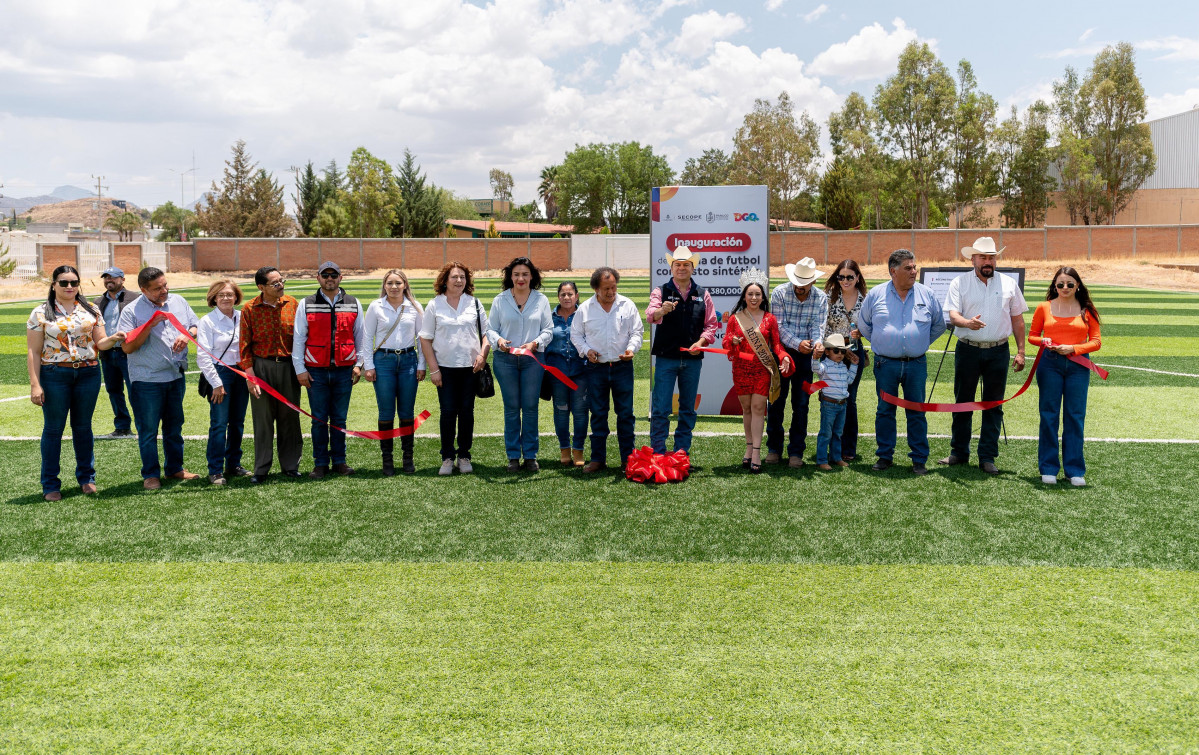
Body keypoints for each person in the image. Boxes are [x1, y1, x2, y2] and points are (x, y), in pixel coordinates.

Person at [27, 265, 126, 501]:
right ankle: (50, 484)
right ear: (54, 285)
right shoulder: (40, 313)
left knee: (83, 428)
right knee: (53, 430)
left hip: (88, 373)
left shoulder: (91, 309)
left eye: (74, 282)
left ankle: (87, 478)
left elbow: (100, 343)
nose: (69, 287)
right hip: (54, 375)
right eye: (64, 283)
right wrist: (35, 384)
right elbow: (33, 351)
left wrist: (112, 339)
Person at [939, 237, 1028, 475]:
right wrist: (967, 323)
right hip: (967, 348)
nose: (988, 261)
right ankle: (959, 452)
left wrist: (1021, 351)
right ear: (973, 259)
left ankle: (987, 456)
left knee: (994, 405)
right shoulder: (960, 283)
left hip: (999, 350)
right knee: (962, 403)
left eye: (991, 257)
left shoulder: (1009, 284)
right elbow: (953, 315)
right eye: (983, 257)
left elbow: (1018, 319)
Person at [857, 249, 947, 475]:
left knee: (916, 411)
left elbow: (939, 325)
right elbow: (864, 325)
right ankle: (885, 456)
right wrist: (882, 342)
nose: (914, 271)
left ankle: (919, 459)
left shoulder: (927, 294)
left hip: (916, 364)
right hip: (885, 364)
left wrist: (921, 343)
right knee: (885, 410)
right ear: (893, 271)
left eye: (915, 267)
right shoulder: (876, 295)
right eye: (908, 268)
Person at [117, 266, 201, 490]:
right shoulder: (131, 312)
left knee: (174, 427)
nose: (164, 290)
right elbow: (127, 348)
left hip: (175, 375)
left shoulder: (179, 301)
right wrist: (149, 325)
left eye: (165, 285)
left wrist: (187, 335)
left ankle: (175, 468)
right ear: (143, 290)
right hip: (147, 380)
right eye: (157, 289)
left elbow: (195, 325)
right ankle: (151, 474)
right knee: (148, 430)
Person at [292, 261, 366, 479]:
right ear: (318, 278)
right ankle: (320, 463)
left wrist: (359, 364)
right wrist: (300, 368)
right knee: (318, 419)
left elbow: (360, 336)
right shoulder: (306, 303)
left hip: (345, 370)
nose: (330, 278)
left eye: (334, 275)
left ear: (341, 278)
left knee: (340, 420)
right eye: (326, 275)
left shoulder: (353, 303)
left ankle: (340, 461)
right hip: (316, 371)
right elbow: (299, 338)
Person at [1029, 267, 1102, 487]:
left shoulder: (1087, 310)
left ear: (1078, 285)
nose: (1065, 288)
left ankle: (1074, 470)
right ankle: (1049, 467)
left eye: (1070, 284)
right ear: (1054, 286)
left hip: (1078, 366)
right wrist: (1045, 342)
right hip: (1049, 364)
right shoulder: (1044, 307)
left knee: (1075, 417)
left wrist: (1073, 348)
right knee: (1049, 415)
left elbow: (1096, 341)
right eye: (1060, 284)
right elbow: (1033, 335)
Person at [419, 262, 490, 476]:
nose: (458, 281)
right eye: (454, 277)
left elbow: (487, 334)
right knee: (448, 413)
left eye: (462, 277)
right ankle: (447, 457)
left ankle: (465, 456)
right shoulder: (435, 305)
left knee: (467, 413)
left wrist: (482, 355)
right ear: (445, 280)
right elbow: (425, 339)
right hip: (445, 369)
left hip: (471, 369)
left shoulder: (474, 303)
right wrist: (434, 369)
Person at [646, 245, 717, 457]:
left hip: (692, 360)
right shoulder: (660, 291)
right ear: (672, 267)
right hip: (666, 358)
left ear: (692, 267)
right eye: (678, 265)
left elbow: (712, 325)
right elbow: (650, 315)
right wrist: (661, 310)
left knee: (687, 409)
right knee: (660, 409)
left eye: (686, 264)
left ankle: (681, 455)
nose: (682, 268)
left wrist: (702, 342)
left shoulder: (703, 294)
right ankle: (658, 453)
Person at [572, 267, 643, 473]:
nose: (611, 292)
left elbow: (637, 332)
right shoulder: (584, 309)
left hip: (622, 367)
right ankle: (597, 459)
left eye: (613, 287)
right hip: (596, 369)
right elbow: (576, 335)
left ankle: (627, 459)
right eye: (606, 288)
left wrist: (631, 349)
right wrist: (586, 351)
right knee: (598, 413)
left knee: (626, 414)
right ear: (595, 288)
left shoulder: (627, 305)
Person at [721, 268, 792, 473]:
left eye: (757, 294)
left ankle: (756, 453)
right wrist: (732, 341)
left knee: (759, 408)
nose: (753, 297)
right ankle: (748, 447)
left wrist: (784, 357)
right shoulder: (735, 319)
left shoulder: (770, 319)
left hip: (762, 369)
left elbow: (777, 346)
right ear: (744, 296)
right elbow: (726, 342)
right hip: (741, 369)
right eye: (750, 294)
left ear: (763, 297)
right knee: (747, 409)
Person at [488, 256, 553, 472]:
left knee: (531, 407)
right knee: (512, 408)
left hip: (532, 361)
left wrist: (535, 343)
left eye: (525, 274)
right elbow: (490, 329)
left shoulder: (541, 299)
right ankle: (513, 456)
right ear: (510, 277)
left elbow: (548, 330)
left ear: (532, 276)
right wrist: (498, 341)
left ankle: (531, 456)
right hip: (505, 361)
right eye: (516, 274)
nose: (520, 278)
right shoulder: (500, 300)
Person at [239, 266, 303, 483]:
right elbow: (244, 345)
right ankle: (261, 469)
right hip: (261, 368)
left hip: (289, 368)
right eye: (275, 283)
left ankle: (290, 465)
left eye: (282, 280)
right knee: (263, 420)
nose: (281, 285)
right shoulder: (249, 309)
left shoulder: (293, 304)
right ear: (261, 287)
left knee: (290, 418)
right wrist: (250, 376)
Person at [767, 257, 829, 468]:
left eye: (804, 283)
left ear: (813, 281)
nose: (800, 286)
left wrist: (818, 344)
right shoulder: (779, 293)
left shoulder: (821, 298)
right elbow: (778, 328)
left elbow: (817, 327)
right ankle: (773, 448)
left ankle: (796, 451)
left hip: (805, 358)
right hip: (781, 354)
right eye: (797, 282)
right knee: (776, 401)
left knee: (801, 405)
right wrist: (797, 343)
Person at [363, 270, 426, 475]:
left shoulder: (414, 307)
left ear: (405, 285)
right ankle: (387, 459)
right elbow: (367, 337)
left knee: (407, 412)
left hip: (408, 360)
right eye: (389, 283)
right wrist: (369, 365)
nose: (393, 287)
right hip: (383, 361)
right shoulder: (376, 306)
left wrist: (421, 365)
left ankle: (408, 458)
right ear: (384, 285)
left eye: (398, 283)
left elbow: (421, 338)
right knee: (386, 411)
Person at [197, 279, 250, 485]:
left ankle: (234, 464)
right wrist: (217, 384)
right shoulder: (208, 321)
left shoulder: (242, 317)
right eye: (221, 295)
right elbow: (203, 355)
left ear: (236, 296)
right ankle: (216, 469)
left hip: (241, 372)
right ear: (214, 298)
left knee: (237, 422)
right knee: (219, 424)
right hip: (220, 375)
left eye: (229, 294)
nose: (226, 298)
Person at [822, 259, 868, 462]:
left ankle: (848, 449)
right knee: (831, 400)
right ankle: (829, 446)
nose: (845, 280)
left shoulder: (866, 300)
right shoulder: (829, 298)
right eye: (841, 277)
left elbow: (871, 327)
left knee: (850, 400)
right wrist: (840, 349)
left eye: (850, 276)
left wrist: (861, 336)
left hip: (856, 355)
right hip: (832, 355)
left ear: (858, 277)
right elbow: (823, 327)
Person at [545, 281, 589, 467]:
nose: (566, 298)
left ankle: (578, 449)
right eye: (563, 294)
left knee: (580, 413)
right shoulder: (549, 317)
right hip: (558, 373)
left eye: (570, 294)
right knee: (561, 411)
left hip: (580, 371)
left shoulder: (585, 315)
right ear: (558, 297)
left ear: (577, 296)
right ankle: (564, 448)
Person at [92, 266, 135, 438]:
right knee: (114, 391)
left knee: (135, 391)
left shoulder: (134, 298)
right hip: (107, 353)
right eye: (106, 278)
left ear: (122, 279)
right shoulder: (97, 302)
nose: (109, 280)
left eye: (113, 277)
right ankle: (122, 426)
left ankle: (144, 426)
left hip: (129, 352)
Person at [811, 333, 860, 471]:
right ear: (827, 352)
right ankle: (821, 460)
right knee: (826, 433)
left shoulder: (843, 367)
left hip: (842, 404)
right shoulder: (824, 366)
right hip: (829, 405)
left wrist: (854, 365)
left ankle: (836, 457)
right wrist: (815, 358)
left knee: (838, 433)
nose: (840, 354)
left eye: (843, 351)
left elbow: (849, 380)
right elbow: (815, 369)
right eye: (836, 351)